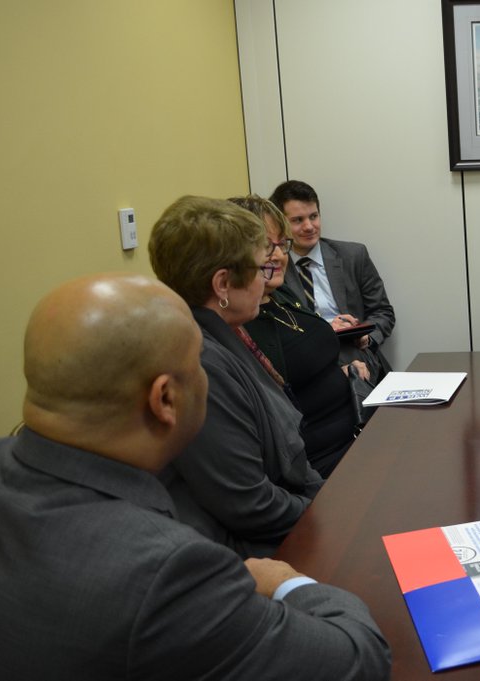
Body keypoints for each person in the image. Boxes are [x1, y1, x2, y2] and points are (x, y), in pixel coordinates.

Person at [0, 273, 390, 679]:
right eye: (200, 367)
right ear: (165, 399)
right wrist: (287, 584)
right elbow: (358, 659)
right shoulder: (169, 571)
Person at [150, 196, 323, 557]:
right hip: (259, 551)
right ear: (223, 284)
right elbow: (250, 504)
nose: (265, 280)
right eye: (260, 269)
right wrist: (324, 513)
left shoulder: (224, 333)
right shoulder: (199, 365)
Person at [233, 194, 364, 478]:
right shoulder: (241, 323)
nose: (279, 256)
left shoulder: (280, 293)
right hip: (320, 459)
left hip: (357, 424)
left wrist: (340, 371)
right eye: (267, 246)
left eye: (282, 244)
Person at [270, 180, 395, 375]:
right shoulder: (274, 268)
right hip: (305, 363)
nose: (309, 226)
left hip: (356, 352)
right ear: (280, 224)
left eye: (314, 216)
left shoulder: (353, 256)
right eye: (298, 220)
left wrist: (367, 337)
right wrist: (327, 330)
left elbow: (383, 311)